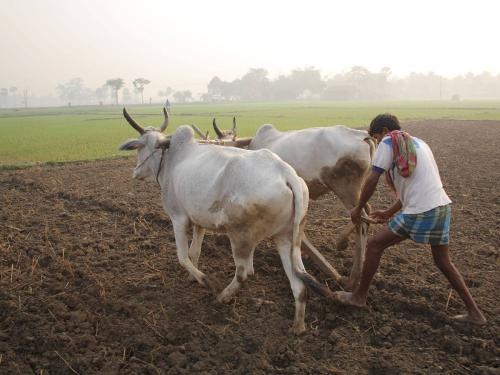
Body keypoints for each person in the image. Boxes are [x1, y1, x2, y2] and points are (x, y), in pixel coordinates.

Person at [334, 113, 486, 325]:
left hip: (420, 211)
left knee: (375, 245)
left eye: (376, 137)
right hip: (441, 207)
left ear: (385, 131)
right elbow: (414, 188)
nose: (377, 143)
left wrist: (358, 208)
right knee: (443, 262)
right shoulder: (418, 144)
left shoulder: (389, 141)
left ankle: (359, 297)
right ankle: (475, 313)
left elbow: (372, 178)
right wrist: (388, 213)